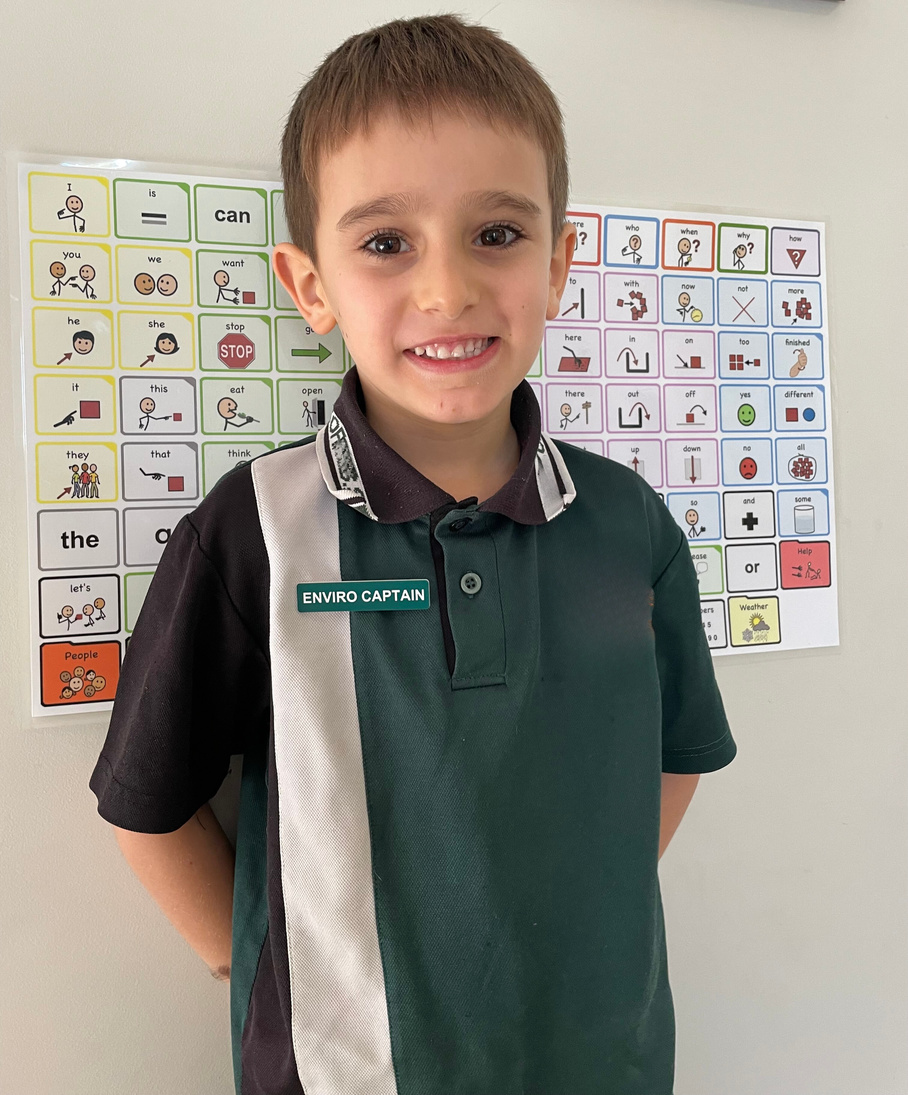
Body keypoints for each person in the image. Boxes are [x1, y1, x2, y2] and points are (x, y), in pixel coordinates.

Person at [89, 15, 736, 1095]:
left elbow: (673, 761)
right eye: (385, 243)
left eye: (496, 233)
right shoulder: (251, 530)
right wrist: (256, 964)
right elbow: (148, 810)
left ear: (559, 261)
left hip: (603, 1066)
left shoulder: (630, 525)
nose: (446, 292)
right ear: (309, 285)